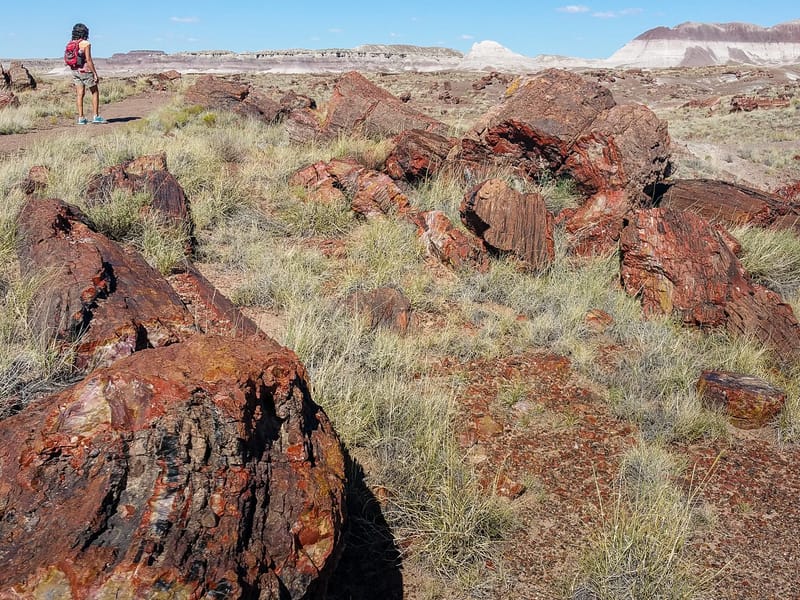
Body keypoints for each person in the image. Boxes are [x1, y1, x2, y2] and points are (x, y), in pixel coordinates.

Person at [70, 23, 106, 125]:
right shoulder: (85, 44)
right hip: (85, 71)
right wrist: (95, 73)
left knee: (80, 94)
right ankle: (96, 116)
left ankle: (81, 118)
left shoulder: (71, 43)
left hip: (75, 71)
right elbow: (89, 60)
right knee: (94, 92)